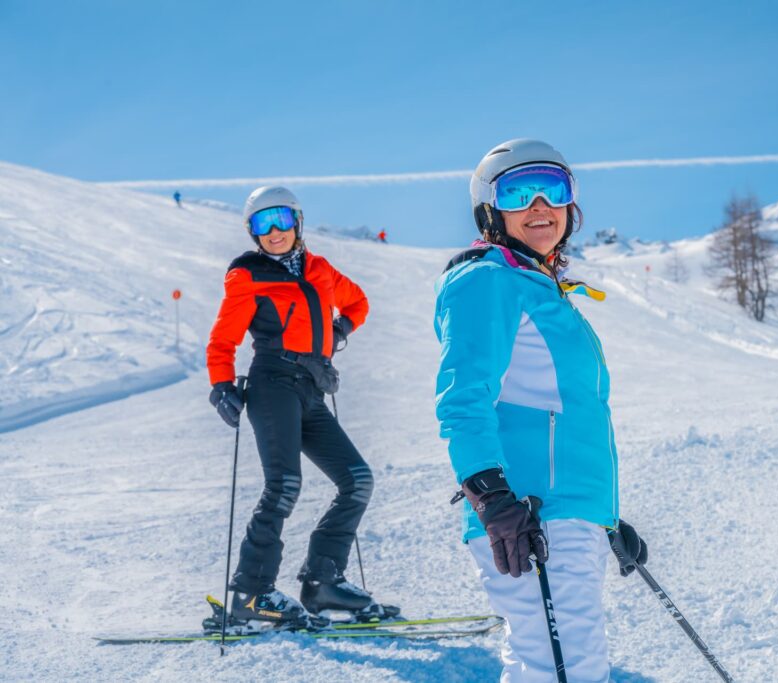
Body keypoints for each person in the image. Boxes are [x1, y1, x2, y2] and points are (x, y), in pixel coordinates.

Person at [433, 139, 648, 681]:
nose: (538, 206)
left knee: (546, 665)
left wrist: (603, 516)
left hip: (564, 511)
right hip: (526, 514)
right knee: (565, 669)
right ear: (490, 210)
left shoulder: (540, 287)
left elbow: (564, 414)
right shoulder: (486, 280)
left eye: (552, 190)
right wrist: (491, 496)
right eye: (516, 192)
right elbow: (463, 397)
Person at [206, 185, 383, 628]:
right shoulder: (247, 275)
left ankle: (322, 583)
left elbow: (358, 302)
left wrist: (338, 330)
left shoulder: (319, 269)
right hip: (271, 385)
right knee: (283, 484)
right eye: (263, 224)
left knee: (357, 480)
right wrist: (221, 385)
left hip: (311, 389)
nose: (275, 231)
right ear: (253, 233)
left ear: (298, 222)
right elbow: (222, 339)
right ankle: (250, 592)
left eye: (282, 219)